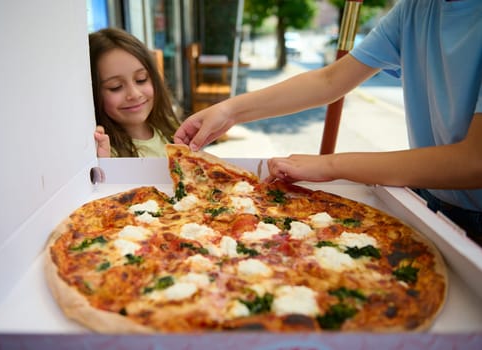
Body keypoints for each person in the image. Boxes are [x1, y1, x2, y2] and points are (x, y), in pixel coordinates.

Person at [174, 0, 482, 244]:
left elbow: (474, 161)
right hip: (429, 204)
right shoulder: (415, 8)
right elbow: (330, 79)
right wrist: (229, 111)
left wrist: (327, 165)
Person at [90, 28, 180, 157]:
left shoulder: (171, 127)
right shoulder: (105, 152)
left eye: (141, 79)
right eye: (115, 87)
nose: (135, 94)